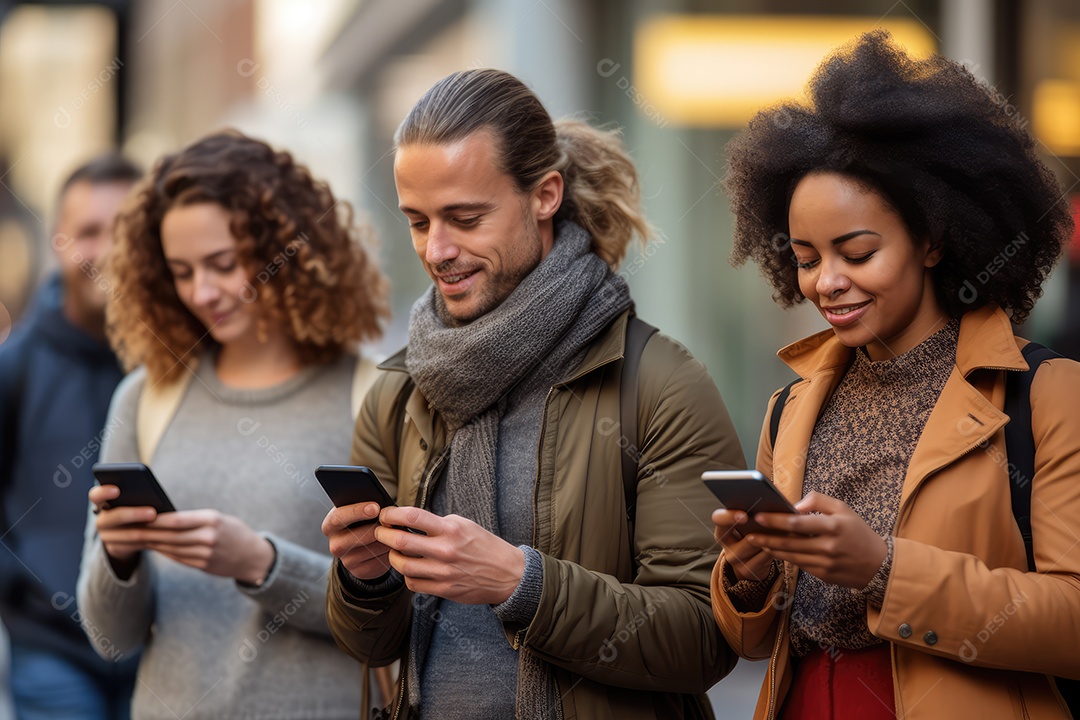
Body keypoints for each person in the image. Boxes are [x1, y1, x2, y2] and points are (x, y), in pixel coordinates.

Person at [322, 68, 744, 720]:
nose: (437, 249)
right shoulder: (399, 392)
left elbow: (705, 637)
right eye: (417, 221)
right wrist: (364, 578)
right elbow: (370, 645)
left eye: (466, 218)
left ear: (545, 194)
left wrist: (520, 584)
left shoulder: (658, 385)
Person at [712, 31, 1079, 720]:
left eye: (856, 252)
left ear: (934, 238)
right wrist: (749, 572)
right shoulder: (789, 407)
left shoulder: (1048, 395)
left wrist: (883, 568)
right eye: (806, 257)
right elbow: (753, 642)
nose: (827, 282)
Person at [76, 130, 389, 719]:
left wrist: (261, 565)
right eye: (181, 271)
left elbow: (399, 618)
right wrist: (118, 557)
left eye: (223, 264)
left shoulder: (369, 395)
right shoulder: (146, 397)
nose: (203, 292)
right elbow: (112, 639)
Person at [0, 154, 141, 720]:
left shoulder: (177, 365)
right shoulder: (15, 368)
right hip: (52, 653)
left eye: (124, 232)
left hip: (157, 645)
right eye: (88, 232)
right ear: (59, 243)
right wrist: (27, 588)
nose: (106, 251)